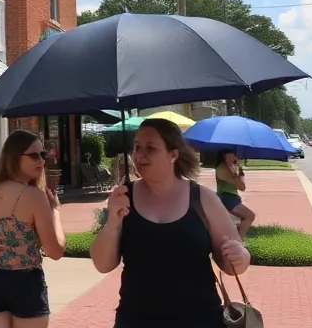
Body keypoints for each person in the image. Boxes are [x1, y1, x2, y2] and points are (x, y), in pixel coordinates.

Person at [90, 118, 250, 328]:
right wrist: (112, 221)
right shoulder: (123, 199)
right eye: (137, 147)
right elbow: (102, 264)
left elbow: (232, 263)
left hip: (199, 319)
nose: (140, 155)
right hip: (136, 320)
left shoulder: (203, 198)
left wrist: (240, 256)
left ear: (173, 154)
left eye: (151, 148)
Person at [0, 129, 65, 327]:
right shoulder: (34, 196)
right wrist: (56, 212)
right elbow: (55, 251)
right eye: (34, 155)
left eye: (43, 155)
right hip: (26, 283)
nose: (41, 161)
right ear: (14, 157)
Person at [214, 150, 256, 239]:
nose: (232, 158)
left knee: (239, 220)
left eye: (234, 156)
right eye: (229, 156)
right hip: (226, 197)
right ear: (223, 156)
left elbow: (242, 187)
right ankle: (238, 242)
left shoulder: (234, 167)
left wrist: (239, 172)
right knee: (249, 216)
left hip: (233, 197)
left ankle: (235, 239)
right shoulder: (222, 168)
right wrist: (236, 174)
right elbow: (238, 184)